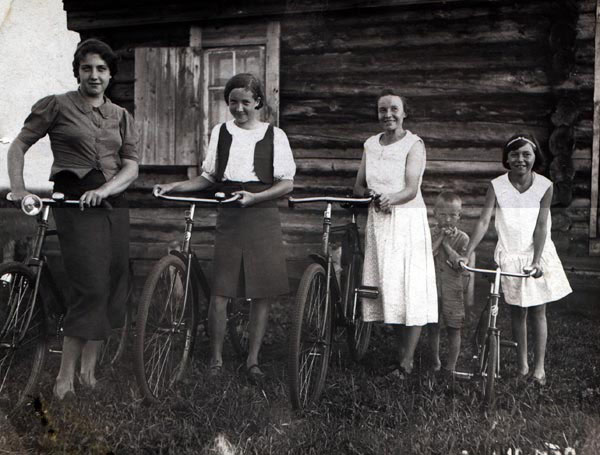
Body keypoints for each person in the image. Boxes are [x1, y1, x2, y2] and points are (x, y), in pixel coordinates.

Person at [7, 39, 139, 400]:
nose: (94, 75)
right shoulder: (56, 105)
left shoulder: (121, 116)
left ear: (110, 74)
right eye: (87, 68)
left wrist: (106, 190)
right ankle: (63, 377)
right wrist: (18, 188)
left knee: (113, 282)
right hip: (74, 202)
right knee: (90, 286)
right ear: (77, 72)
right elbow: (18, 145)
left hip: (115, 203)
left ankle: (88, 371)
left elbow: (131, 166)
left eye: (101, 69)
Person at [153, 73, 295, 381]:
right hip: (230, 214)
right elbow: (208, 178)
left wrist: (255, 197)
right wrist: (174, 186)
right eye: (233, 102)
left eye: (246, 102)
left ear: (258, 102)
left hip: (262, 215)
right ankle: (216, 360)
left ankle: (253, 359)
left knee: (261, 292)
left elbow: (286, 184)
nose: (239, 108)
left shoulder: (275, 135)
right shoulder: (221, 132)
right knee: (221, 290)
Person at [456, 133, 572, 385]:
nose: (521, 159)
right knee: (517, 311)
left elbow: (541, 226)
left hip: (535, 253)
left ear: (535, 157)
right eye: (515, 154)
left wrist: (536, 261)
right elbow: (484, 221)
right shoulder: (497, 185)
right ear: (507, 158)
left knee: (538, 311)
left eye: (526, 154)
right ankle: (522, 366)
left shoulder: (545, 186)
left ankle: (539, 369)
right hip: (511, 253)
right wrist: (468, 252)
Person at [354, 89, 437, 377]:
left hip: (406, 222)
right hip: (379, 221)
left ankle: (407, 361)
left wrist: (391, 198)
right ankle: (402, 352)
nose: (388, 114)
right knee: (389, 287)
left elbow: (411, 189)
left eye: (393, 109)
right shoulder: (370, 145)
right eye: (382, 110)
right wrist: (369, 195)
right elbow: (359, 185)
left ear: (404, 113)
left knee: (409, 287)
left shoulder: (414, 144)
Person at [427, 192, 470, 375]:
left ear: (459, 216)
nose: (447, 220)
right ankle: (435, 362)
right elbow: (428, 253)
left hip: (453, 290)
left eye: (452, 215)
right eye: (443, 214)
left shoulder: (463, 238)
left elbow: (460, 264)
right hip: (432, 288)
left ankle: (451, 366)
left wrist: (446, 245)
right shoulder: (429, 233)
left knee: (454, 328)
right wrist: (441, 239)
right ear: (435, 213)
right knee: (433, 327)